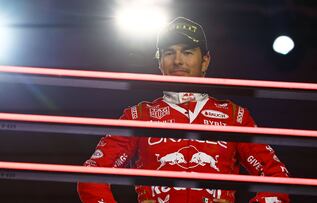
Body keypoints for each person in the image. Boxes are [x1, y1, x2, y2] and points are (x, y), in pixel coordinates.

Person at [77, 17, 290, 203]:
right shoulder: (138, 116)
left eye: (187, 52)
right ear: (159, 61)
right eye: (169, 53)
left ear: (205, 61)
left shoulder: (235, 117)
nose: (178, 60)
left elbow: (275, 176)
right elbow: (92, 176)